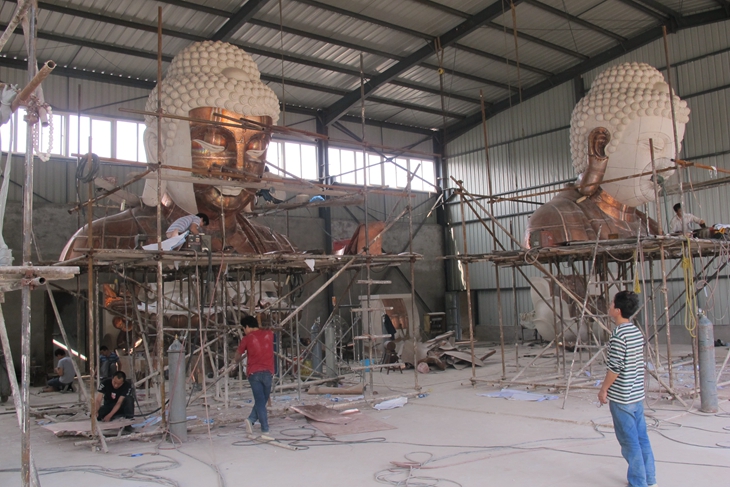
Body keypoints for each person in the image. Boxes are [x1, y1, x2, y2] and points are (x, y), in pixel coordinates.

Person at [524, 62, 691, 248]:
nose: (668, 168)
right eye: (655, 145)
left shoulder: (648, 226)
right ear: (599, 146)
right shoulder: (557, 217)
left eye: (674, 150)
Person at [598, 291, 657, 487]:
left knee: (629, 443)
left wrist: (604, 389)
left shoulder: (618, 335)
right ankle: (650, 480)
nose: (609, 306)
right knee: (642, 439)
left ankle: (638, 482)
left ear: (618, 310)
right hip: (636, 395)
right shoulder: (635, 331)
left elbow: (614, 368)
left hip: (622, 398)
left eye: (612, 303)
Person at [234, 315, 274, 434]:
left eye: (243, 328)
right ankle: (255, 422)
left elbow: (237, 355)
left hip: (254, 373)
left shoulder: (247, 338)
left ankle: (263, 427)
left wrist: (235, 361)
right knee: (263, 400)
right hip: (268, 372)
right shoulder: (269, 334)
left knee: (260, 401)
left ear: (247, 326)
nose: (244, 331)